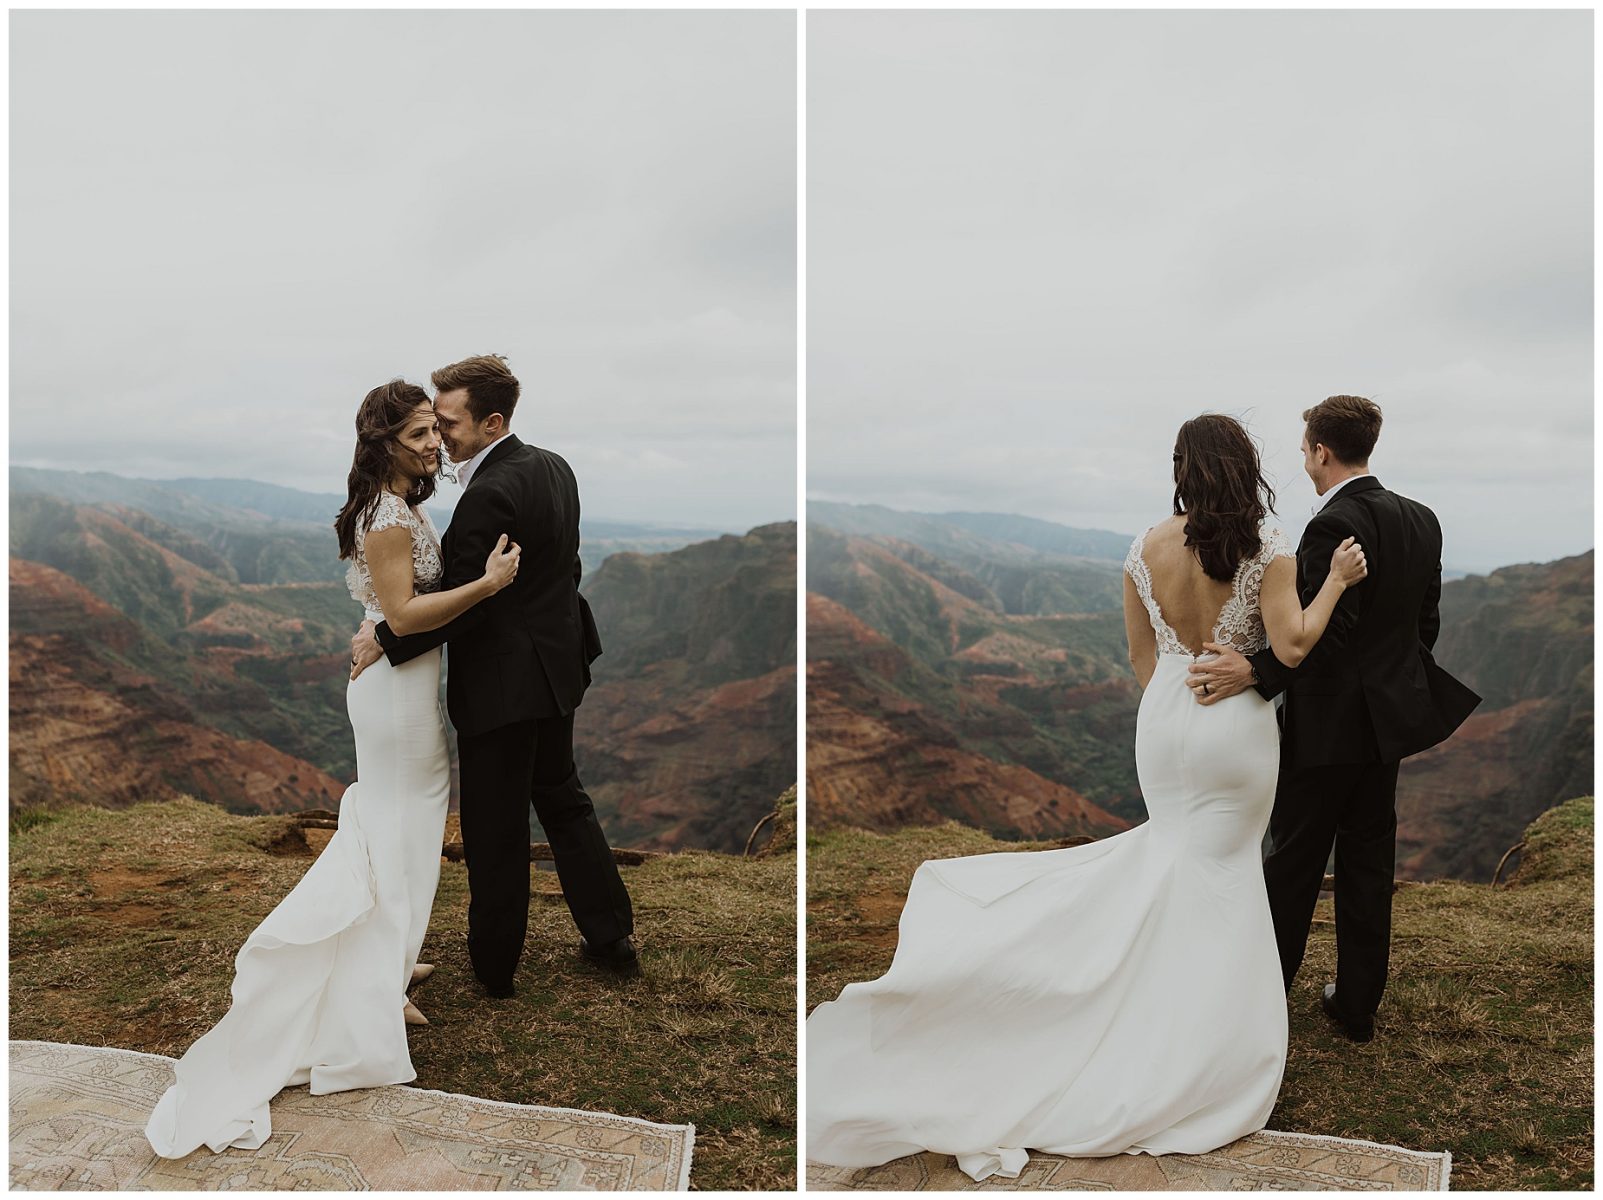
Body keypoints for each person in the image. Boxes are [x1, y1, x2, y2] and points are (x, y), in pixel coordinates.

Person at [806, 412, 1367, 1182]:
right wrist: (1334, 580)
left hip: (1164, 721)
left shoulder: (1141, 550)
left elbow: (1142, 659)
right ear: (1245, 471)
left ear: (1180, 467)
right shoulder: (1266, 553)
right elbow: (1293, 645)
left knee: (1171, 863)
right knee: (1222, 879)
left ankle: (1128, 1010)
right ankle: (1198, 1052)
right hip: (1231, 726)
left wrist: (1173, 710)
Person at [145, 380, 521, 1158]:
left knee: (409, 825)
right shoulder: (386, 516)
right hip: (395, 699)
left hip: (406, 686)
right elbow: (405, 614)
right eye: (417, 433)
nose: (429, 444)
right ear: (384, 441)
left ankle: (386, 954)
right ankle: (369, 980)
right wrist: (484, 585)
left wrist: (389, 627)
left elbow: (391, 617)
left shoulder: (398, 502)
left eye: (432, 430)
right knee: (400, 822)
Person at [1185, 395, 1480, 1042]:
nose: (1303, 460)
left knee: (1292, 864)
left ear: (1320, 450)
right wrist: (1393, 690)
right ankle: (1355, 1008)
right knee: (1368, 863)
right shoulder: (1420, 519)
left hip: (1327, 727)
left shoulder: (1331, 525)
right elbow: (1421, 624)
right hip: (1386, 725)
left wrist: (1256, 671)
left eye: (1303, 450)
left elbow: (1322, 635)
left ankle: (1260, 1002)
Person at [349, 354, 637, 995]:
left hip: (503, 687)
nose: (439, 435)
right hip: (558, 672)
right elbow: (564, 569)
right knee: (564, 800)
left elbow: (470, 604)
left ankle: (496, 967)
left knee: (495, 826)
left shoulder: (487, 495)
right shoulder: (554, 468)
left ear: (491, 421)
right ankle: (611, 935)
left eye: (447, 422)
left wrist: (387, 638)